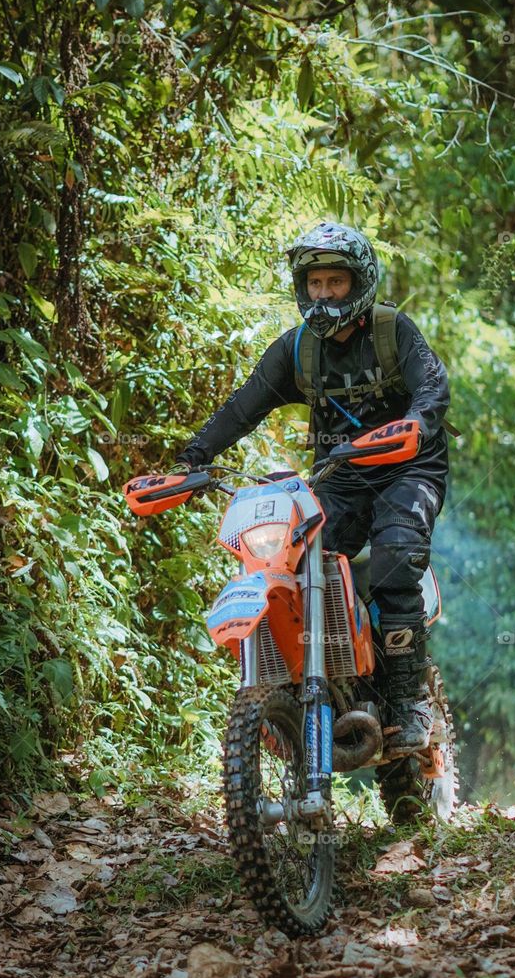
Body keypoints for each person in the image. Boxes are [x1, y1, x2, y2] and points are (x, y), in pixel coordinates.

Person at [173, 221, 450, 750]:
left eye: (335, 283)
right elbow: (243, 406)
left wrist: (417, 421)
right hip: (338, 476)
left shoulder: (395, 331)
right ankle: (304, 687)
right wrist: (193, 458)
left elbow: (433, 386)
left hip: (409, 468)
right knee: (292, 561)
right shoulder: (299, 350)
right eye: (315, 284)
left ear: (359, 282)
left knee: (394, 558)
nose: (323, 295)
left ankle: (408, 697)